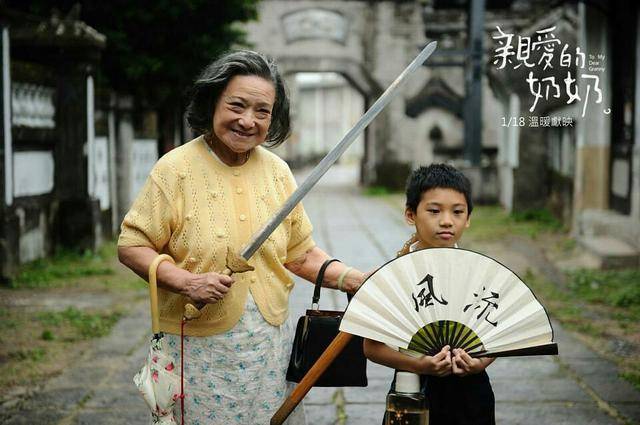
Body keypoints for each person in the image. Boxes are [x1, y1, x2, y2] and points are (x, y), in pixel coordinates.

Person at [117, 50, 366, 425]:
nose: (248, 121)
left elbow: (299, 253)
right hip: (196, 349)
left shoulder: (278, 173)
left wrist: (350, 278)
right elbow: (132, 245)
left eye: (262, 111)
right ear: (214, 101)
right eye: (237, 105)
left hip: (268, 347)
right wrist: (187, 282)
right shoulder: (176, 170)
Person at [364, 164, 496, 425]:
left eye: (457, 212)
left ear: (468, 217)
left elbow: (498, 333)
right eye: (434, 211)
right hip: (411, 387)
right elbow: (372, 347)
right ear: (411, 215)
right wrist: (421, 365)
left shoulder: (479, 272)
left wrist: (481, 362)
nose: (447, 220)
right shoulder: (395, 275)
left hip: (472, 391)